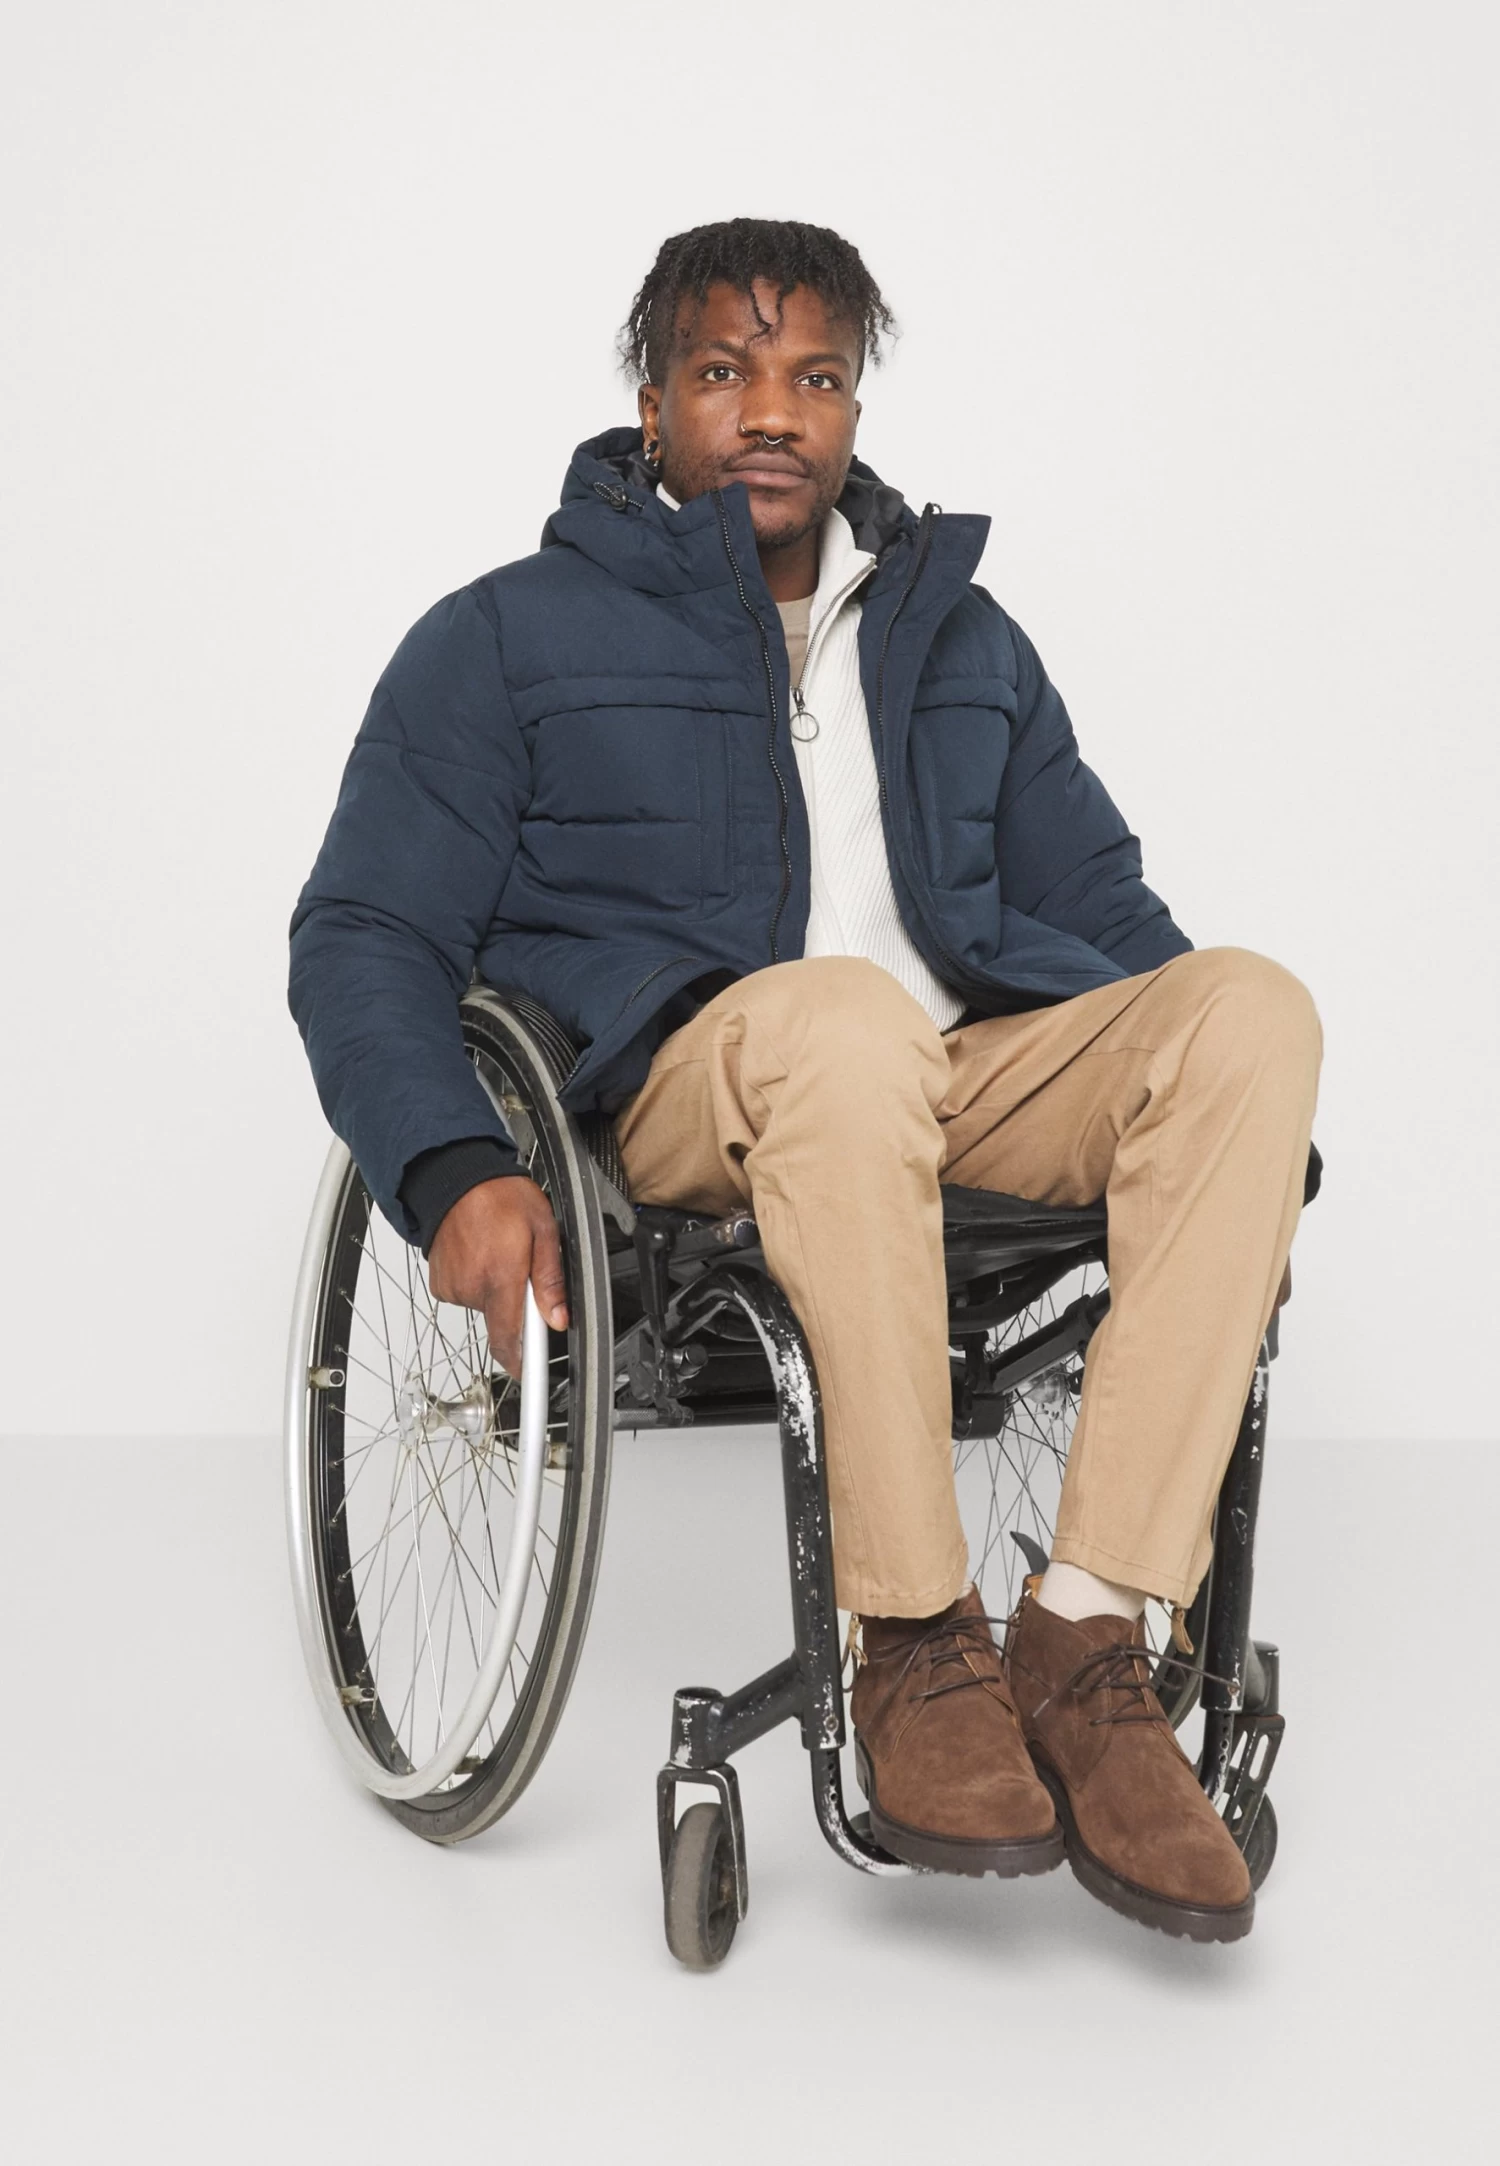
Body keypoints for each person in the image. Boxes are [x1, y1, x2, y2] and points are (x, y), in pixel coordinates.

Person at [289, 217, 1322, 1944]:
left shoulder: (963, 642)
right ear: (653, 402)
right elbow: (365, 929)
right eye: (725, 371)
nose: (772, 411)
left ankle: (1086, 1636)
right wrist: (451, 1161)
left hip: (953, 1072)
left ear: (852, 407)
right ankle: (913, 1638)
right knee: (841, 1020)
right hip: (698, 1085)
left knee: (1252, 1012)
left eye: (815, 376)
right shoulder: (505, 638)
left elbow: (1111, 924)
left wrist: (1230, 1144)